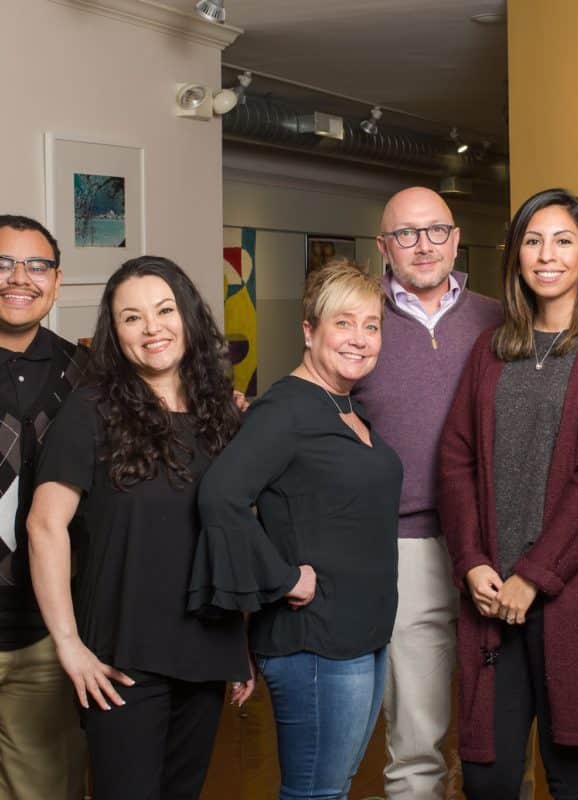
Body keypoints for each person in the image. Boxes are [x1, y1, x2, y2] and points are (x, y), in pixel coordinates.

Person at [438, 187, 578, 799]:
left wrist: (533, 575)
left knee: (575, 777)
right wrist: (472, 560)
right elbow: (455, 459)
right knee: (487, 776)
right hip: (490, 600)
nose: (546, 254)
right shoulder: (492, 350)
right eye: (532, 241)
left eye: (563, 241)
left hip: (574, 596)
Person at [26, 256, 252, 800]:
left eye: (165, 310)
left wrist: (241, 639)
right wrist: (69, 645)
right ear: (115, 332)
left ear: (189, 316)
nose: (152, 328)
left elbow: (235, 532)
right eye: (132, 318)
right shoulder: (90, 410)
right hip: (121, 661)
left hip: (205, 648)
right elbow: (44, 527)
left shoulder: (221, 412)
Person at [190, 260, 403, 800]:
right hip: (314, 644)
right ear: (308, 330)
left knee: (333, 788)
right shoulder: (284, 409)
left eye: (371, 325)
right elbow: (219, 497)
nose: (360, 338)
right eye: (343, 323)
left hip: (362, 635)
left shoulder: (345, 407)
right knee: (315, 793)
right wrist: (282, 580)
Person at [350, 185, 502, 800]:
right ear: (384, 246)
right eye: (406, 234)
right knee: (415, 737)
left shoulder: (499, 316)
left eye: (436, 230)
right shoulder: (360, 319)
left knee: (499, 734)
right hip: (406, 544)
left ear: (457, 239)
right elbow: (317, 399)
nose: (423, 245)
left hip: (496, 543)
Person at [0, 214, 88, 800]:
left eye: (36, 266)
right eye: (3, 263)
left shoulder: (89, 375)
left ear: (56, 282)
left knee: (42, 789)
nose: (20, 278)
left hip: (42, 634)